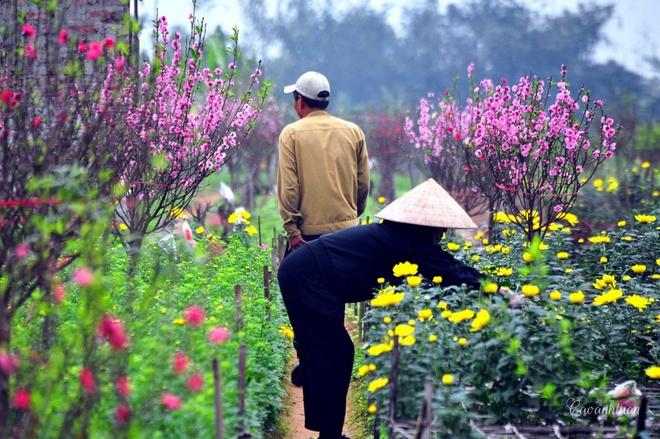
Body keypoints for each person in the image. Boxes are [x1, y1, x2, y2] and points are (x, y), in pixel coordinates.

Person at [277, 179, 483, 438]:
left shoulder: (397, 236)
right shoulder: (407, 242)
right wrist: (495, 288)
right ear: (427, 224)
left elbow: (443, 267)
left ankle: (313, 381)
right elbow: (449, 269)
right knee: (335, 353)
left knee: (327, 352)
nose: (441, 234)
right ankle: (328, 431)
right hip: (306, 278)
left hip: (304, 273)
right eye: (440, 227)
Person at [277, 71, 370, 253]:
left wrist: (292, 231)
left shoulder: (291, 134)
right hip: (348, 231)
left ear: (300, 101)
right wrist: (350, 218)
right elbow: (363, 183)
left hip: (307, 237)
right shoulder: (354, 131)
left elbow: (289, 187)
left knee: (293, 278)